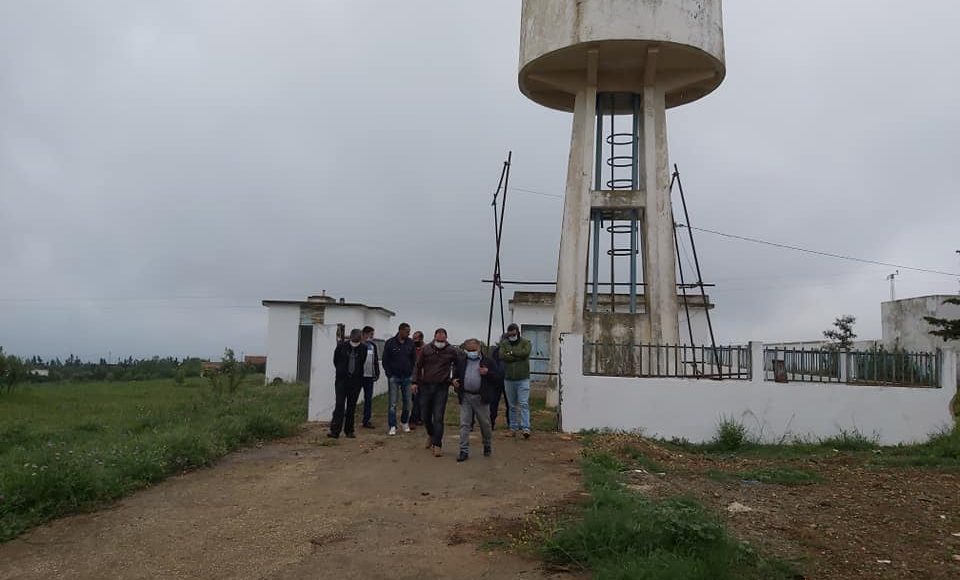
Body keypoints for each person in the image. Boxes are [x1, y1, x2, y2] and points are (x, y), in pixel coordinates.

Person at [412, 328, 459, 457]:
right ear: (434, 337)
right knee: (425, 416)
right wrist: (414, 382)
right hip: (426, 386)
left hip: (441, 387)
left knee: (438, 417)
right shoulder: (426, 349)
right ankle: (431, 435)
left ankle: (437, 444)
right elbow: (418, 366)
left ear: (446, 338)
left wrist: (453, 378)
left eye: (442, 338)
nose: (440, 341)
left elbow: (458, 364)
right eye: (438, 338)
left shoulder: (451, 351)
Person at [453, 339, 499, 462]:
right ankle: (463, 450)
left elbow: (497, 378)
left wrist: (487, 373)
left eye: (473, 350)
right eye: (468, 350)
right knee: (464, 424)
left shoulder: (488, 361)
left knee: (485, 424)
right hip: (466, 397)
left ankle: (487, 444)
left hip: (481, 398)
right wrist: (454, 381)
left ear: (479, 348)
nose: (471, 352)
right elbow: (455, 375)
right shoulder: (462, 361)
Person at [329, 328, 367, 439]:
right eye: (356, 336)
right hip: (342, 380)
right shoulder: (341, 346)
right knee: (339, 405)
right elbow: (336, 360)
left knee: (351, 406)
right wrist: (341, 371)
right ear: (351, 336)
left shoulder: (363, 348)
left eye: (359, 336)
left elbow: (362, 362)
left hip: (355, 381)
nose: (358, 338)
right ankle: (335, 431)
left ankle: (349, 430)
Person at [382, 322, 416, 436]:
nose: (409, 333)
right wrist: (389, 374)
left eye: (409, 331)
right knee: (393, 403)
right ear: (400, 331)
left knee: (407, 402)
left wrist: (411, 373)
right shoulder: (390, 343)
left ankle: (404, 422)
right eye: (407, 331)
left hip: (407, 377)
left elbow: (413, 359)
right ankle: (392, 425)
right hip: (394, 377)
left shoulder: (410, 343)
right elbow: (385, 360)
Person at [499, 323, 532, 439]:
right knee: (512, 405)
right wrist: (518, 356)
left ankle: (526, 428)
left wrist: (512, 353)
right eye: (510, 335)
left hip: (523, 378)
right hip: (509, 379)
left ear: (518, 332)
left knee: (523, 403)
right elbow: (502, 356)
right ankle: (512, 428)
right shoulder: (504, 344)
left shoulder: (526, 343)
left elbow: (525, 353)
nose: (512, 336)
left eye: (513, 334)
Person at [488, 336, 511, 430]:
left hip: (509, 381)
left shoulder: (512, 352)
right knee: (493, 403)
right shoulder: (495, 352)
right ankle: (491, 422)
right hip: (496, 382)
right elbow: (491, 364)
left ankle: (511, 423)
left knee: (510, 404)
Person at [360, 326, 380, 429]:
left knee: (368, 399)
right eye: (371, 334)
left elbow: (375, 360)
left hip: (369, 376)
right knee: (353, 397)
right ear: (365, 334)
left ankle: (366, 420)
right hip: (358, 376)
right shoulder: (358, 344)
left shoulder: (372, 346)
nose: (372, 336)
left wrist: (377, 372)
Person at [408, 331, 425, 426]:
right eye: (413, 338)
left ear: (421, 339)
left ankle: (415, 419)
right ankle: (418, 417)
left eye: (416, 338)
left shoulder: (425, 349)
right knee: (414, 399)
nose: (414, 340)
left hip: (422, 378)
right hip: (411, 377)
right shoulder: (411, 349)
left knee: (418, 398)